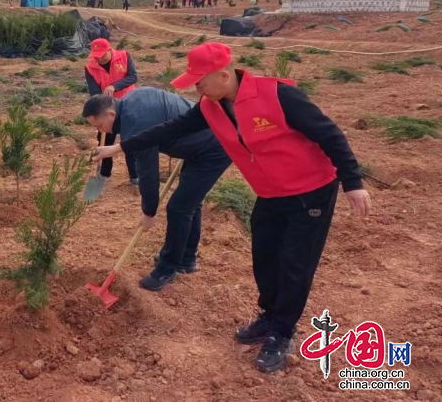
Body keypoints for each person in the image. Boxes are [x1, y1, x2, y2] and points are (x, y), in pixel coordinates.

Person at [93, 42, 371, 373]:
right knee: (264, 256)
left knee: (295, 264)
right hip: (270, 191)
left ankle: (281, 334)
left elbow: (330, 135)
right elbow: (169, 129)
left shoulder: (279, 96)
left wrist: (352, 182)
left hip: (311, 190)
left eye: (200, 82)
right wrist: (119, 147)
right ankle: (269, 316)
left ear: (223, 76)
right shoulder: (211, 105)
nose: (196, 89)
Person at [83, 89, 231, 290]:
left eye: (100, 126)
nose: (102, 132)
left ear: (111, 114)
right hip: (201, 143)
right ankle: (187, 258)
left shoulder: (135, 122)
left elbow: (148, 174)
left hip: (213, 148)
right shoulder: (131, 101)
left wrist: (149, 212)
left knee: (179, 208)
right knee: (189, 202)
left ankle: (166, 269)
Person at [84, 38, 138, 186]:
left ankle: (135, 176)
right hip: (107, 109)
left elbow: (133, 76)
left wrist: (114, 86)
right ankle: (104, 173)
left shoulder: (124, 56)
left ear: (110, 50)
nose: (99, 58)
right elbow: (94, 90)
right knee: (105, 140)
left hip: (128, 104)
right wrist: (101, 102)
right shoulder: (90, 67)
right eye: (96, 56)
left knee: (131, 141)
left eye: (102, 55)